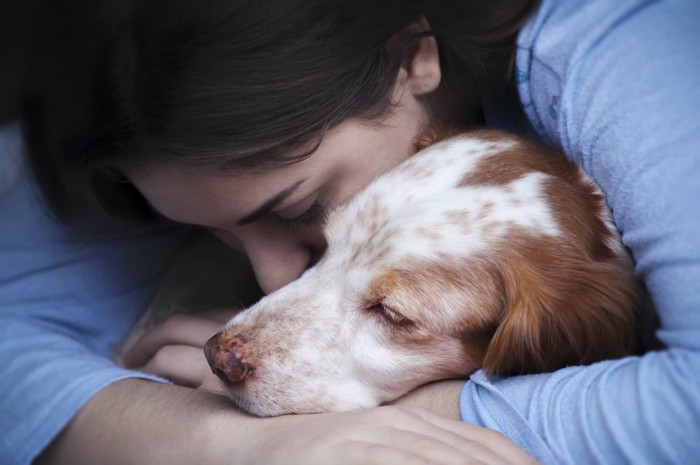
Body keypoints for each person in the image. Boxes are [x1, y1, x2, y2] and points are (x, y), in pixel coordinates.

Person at [1, 0, 698, 464]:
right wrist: (220, 441)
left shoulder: (634, 57)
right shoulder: (129, 89)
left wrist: (426, 420)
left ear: (412, 59)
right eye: (208, 230)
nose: (271, 281)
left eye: (303, 204)